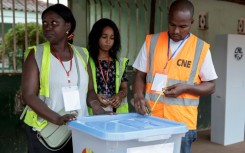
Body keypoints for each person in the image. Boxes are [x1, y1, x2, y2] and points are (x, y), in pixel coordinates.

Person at [132, 0, 217, 153]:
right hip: (151, 120)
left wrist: (186, 87)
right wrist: (138, 95)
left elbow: (211, 86)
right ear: (168, 19)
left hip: (182, 125)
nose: (176, 31)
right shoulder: (152, 41)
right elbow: (139, 75)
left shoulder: (201, 48)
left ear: (191, 22)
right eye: (172, 24)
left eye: (183, 26)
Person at [21, 4, 106, 153]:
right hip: (46, 132)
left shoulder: (82, 54)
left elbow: (90, 90)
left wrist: (97, 107)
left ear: (68, 26)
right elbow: (28, 95)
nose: (48, 27)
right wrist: (56, 118)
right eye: (45, 23)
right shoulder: (36, 54)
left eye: (54, 23)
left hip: (78, 128)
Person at [87, 18, 129, 114]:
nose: (108, 41)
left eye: (112, 38)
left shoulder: (120, 63)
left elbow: (124, 88)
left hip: (115, 113)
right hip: (93, 112)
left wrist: (120, 95)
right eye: (104, 37)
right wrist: (94, 97)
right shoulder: (86, 61)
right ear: (96, 37)